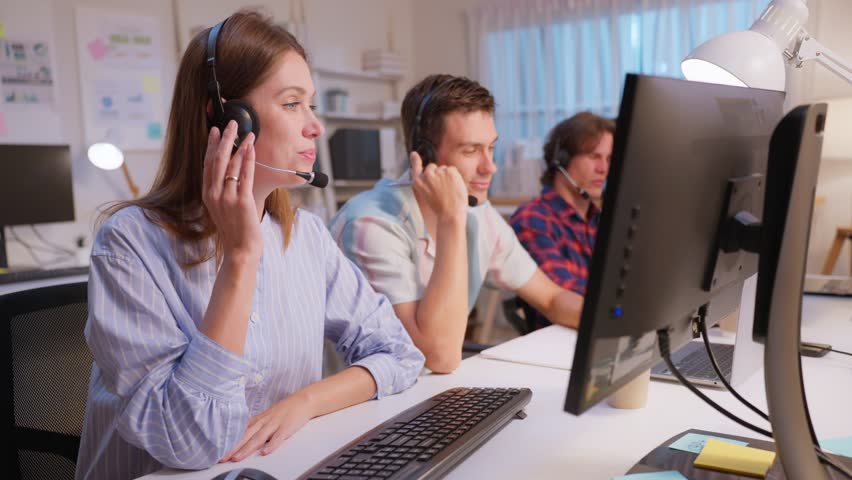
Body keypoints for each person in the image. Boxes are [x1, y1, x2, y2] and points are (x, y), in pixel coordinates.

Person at [75, 11, 424, 480]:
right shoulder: (129, 243)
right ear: (226, 117)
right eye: (292, 103)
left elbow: (401, 354)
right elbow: (188, 443)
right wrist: (240, 258)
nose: (315, 126)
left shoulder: (306, 237)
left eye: (311, 104)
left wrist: (305, 402)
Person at [328, 74, 582, 374]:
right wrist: (452, 219)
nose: (490, 167)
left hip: (428, 389)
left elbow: (551, 298)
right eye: (470, 150)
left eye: (491, 148)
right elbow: (437, 357)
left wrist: (615, 322)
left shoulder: (480, 215)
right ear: (424, 156)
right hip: (371, 399)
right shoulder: (371, 225)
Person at [509, 112, 614, 329]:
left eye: (609, 159)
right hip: (563, 337)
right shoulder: (533, 218)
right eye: (594, 156)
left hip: (605, 329)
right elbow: (561, 294)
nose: (603, 169)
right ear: (562, 160)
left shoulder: (601, 220)